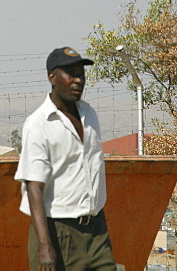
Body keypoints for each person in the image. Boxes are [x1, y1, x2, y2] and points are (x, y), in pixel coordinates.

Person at [15, 47, 115, 271]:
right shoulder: (39, 124)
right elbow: (33, 188)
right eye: (71, 74)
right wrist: (45, 246)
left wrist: (100, 223)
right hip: (59, 233)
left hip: (96, 231)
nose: (79, 80)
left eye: (81, 74)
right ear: (52, 77)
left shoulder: (89, 115)